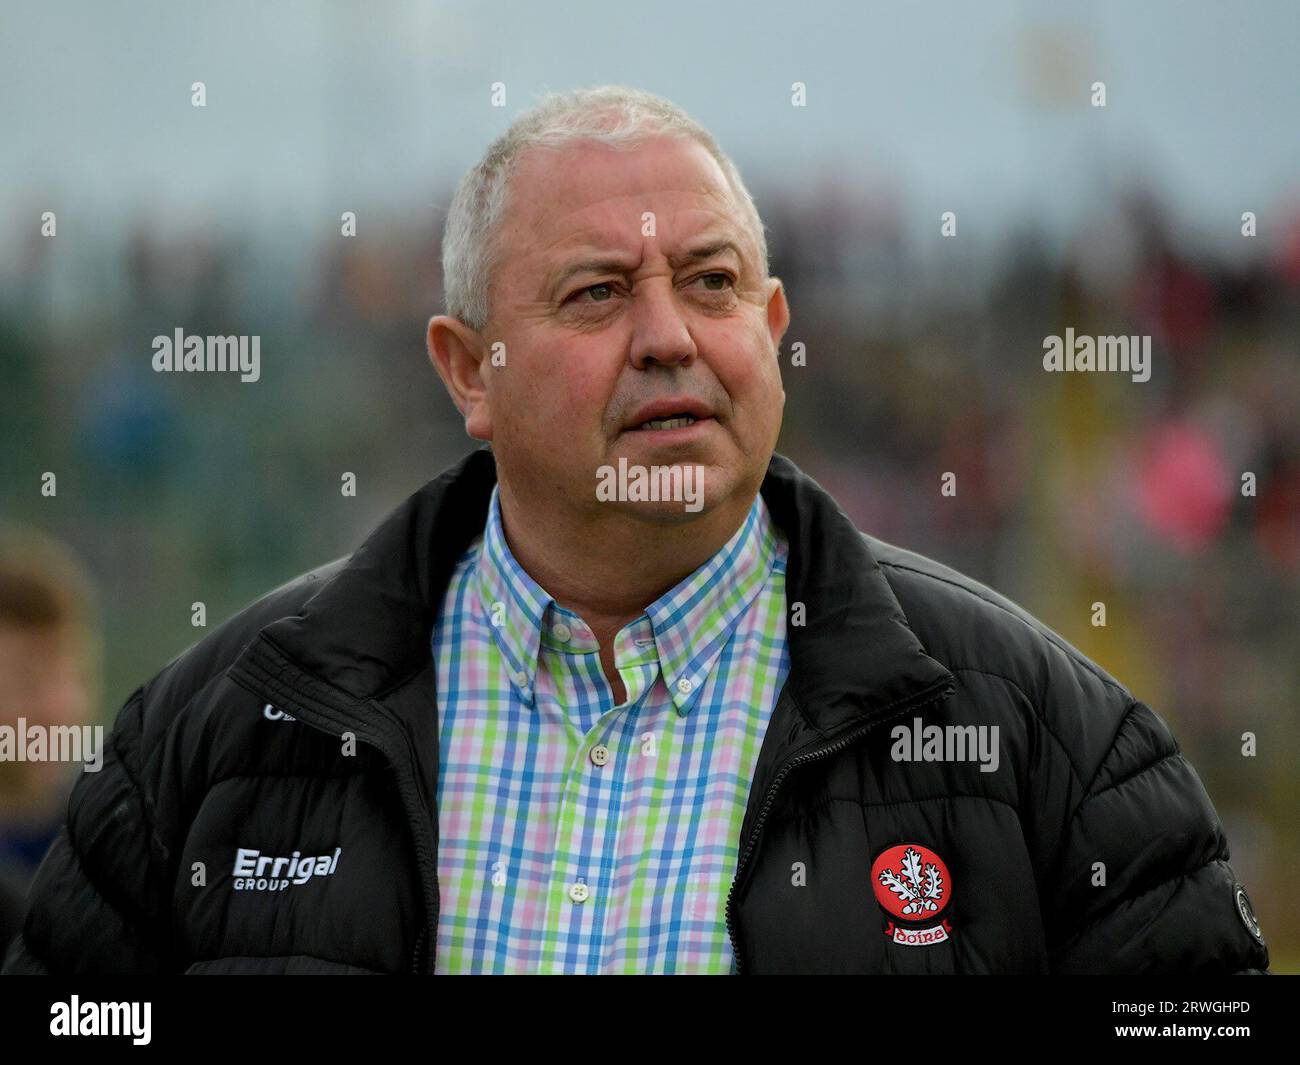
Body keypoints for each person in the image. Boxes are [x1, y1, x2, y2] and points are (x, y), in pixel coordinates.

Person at [5, 86, 1269, 975]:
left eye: (712, 284)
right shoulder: (207, 737)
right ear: (468, 372)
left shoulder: (1057, 744)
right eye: (597, 293)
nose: (668, 335)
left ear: (771, 325)